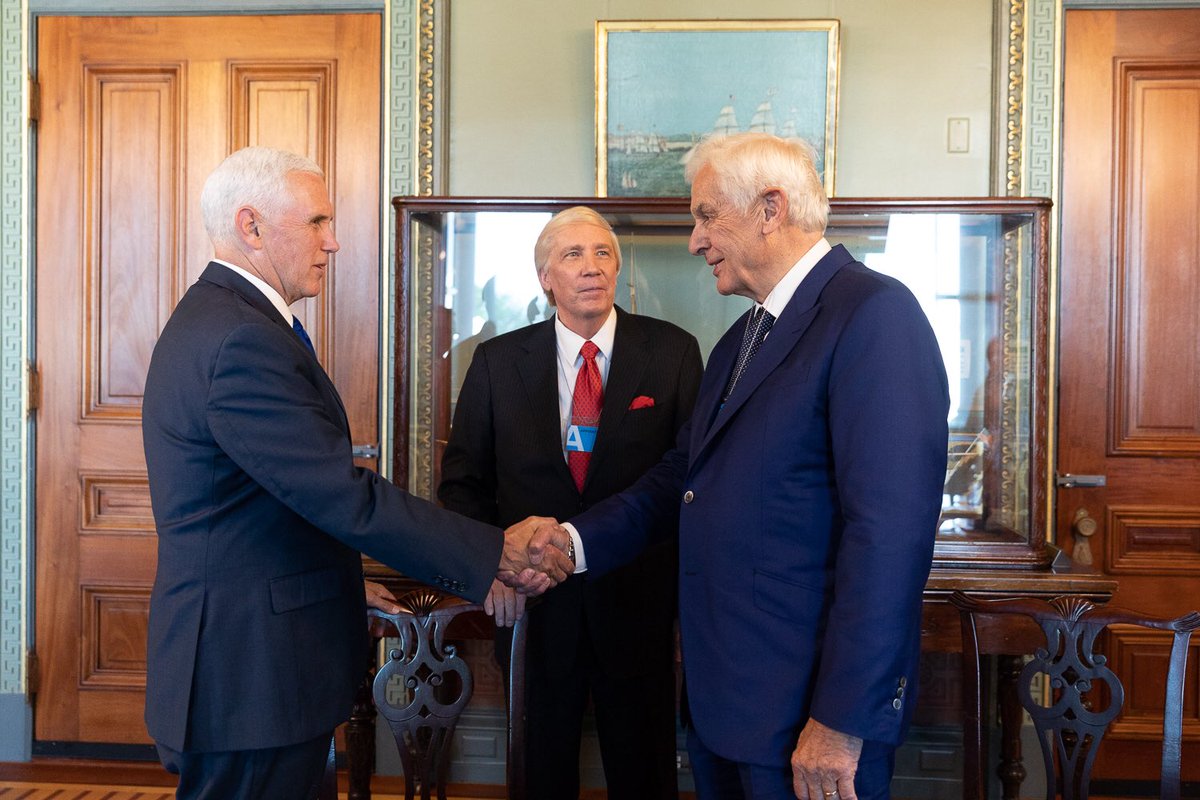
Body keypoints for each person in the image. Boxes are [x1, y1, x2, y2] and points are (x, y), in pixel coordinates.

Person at [141, 146, 570, 800]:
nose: (333, 241)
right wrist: (496, 551)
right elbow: (339, 495)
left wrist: (340, 580)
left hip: (255, 663)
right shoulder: (239, 339)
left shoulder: (228, 320)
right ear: (251, 226)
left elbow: (270, 500)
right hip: (249, 673)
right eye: (316, 221)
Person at [551, 133, 950, 800]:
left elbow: (890, 539)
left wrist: (842, 721)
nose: (695, 241)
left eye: (707, 216)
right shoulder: (742, 337)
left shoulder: (875, 314)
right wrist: (570, 542)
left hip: (807, 723)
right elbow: (683, 478)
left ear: (771, 209)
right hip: (726, 708)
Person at [438, 206, 703, 798]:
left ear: (618, 270)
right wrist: (490, 568)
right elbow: (462, 484)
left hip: (637, 606)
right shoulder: (497, 362)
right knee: (539, 775)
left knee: (644, 777)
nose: (591, 267)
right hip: (532, 608)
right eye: (573, 255)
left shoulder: (673, 352)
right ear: (545, 278)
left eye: (603, 253)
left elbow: (690, 480)